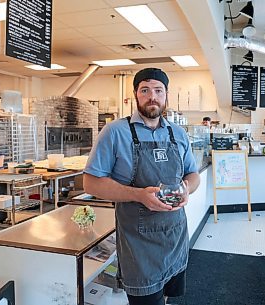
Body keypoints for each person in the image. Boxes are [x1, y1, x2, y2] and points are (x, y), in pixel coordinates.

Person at [83, 67, 200, 305]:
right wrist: (138, 195)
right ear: (136, 94)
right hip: (138, 244)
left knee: (166, 296)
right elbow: (91, 182)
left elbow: (193, 174)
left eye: (158, 90)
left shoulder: (178, 133)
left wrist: (187, 189)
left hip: (175, 235)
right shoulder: (115, 132)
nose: (152, 96)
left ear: (166, 94)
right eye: (145, 90)